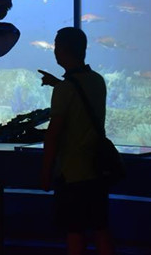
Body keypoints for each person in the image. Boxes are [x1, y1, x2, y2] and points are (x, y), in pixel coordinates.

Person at [39, 27, 114, 255]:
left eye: (56, 46)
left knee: (75, 231)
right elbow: (80, 97)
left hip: (72, 173)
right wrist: (58, 84)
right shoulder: (98, 81)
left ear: (62, 50)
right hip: (97, 170)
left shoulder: (64, 90)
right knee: (100, 228)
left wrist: (46, 170)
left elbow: (54, 133)